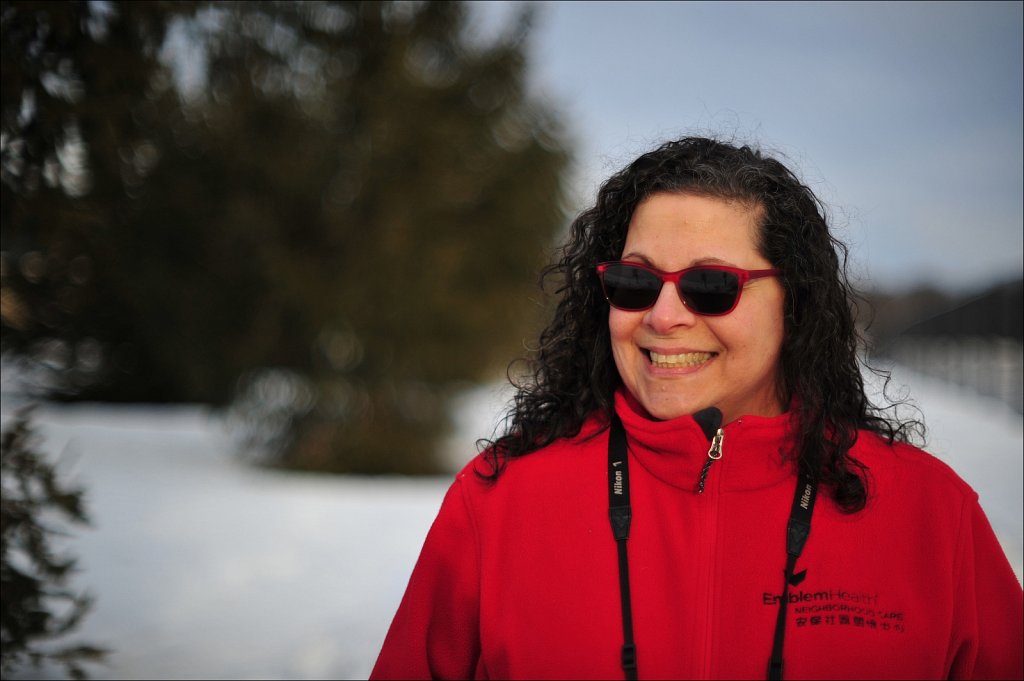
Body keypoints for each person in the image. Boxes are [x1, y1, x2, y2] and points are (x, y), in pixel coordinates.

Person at [370, 137, 1024, 680]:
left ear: (792, 302)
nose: (663, 315)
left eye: (712, 286)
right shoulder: (498, 503)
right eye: (636, 280)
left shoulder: (931, 517)